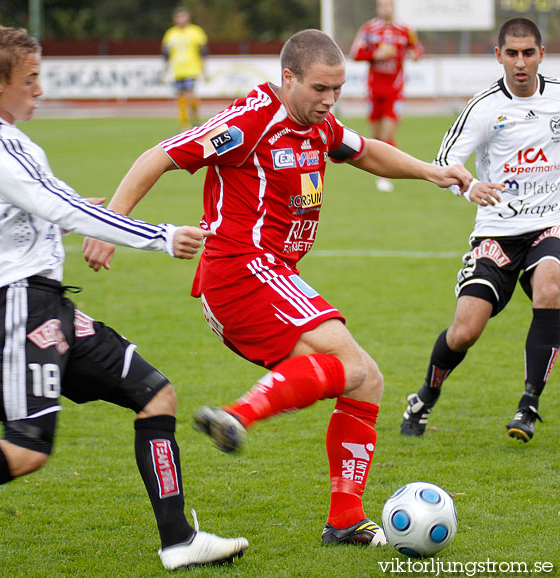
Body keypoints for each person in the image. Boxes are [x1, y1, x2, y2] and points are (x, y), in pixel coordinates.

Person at [0, 25, 249, 578]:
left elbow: (48, 207)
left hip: (48, 302)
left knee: (155, 394)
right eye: (31, 78)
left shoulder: (0, 138)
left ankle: (179, 540)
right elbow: (57, 209)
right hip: (19, 306)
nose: (40, 88)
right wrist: (158, 235)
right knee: (27, 447)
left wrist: (82, 212)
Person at [82, 29, 471, 547]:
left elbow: (365, 150)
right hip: (241, 270)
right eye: (319, 89)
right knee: (352, 365)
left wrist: (430, 171)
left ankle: (345, 520)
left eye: (337, 89)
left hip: (271, 275)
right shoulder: (250, 121)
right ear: (288, 78)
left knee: (365, 381)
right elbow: (161, 154)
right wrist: (112, 225)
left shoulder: (318, 124)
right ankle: (236, 417)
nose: (329, 101)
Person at [401, 18, 560, 443]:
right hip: (497, 232)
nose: (521, 62)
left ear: (542, 54)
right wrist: (469, 186)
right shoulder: (484, 106)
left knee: (551, 286)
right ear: (498, 56)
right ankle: (425, 397)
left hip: (549, 223)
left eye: (529, 53)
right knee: (465, 330)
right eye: (512, 53)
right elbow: (445, 161)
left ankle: (529, 404)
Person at [351, 0, 423, 192]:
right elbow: (355, 53)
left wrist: (414, 55)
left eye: (388, 5)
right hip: (374, 89)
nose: (385, 9)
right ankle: (377, 171)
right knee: (374, 136)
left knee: (388, 133)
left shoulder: (405, 30)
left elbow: (417, 50)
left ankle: (385, 176)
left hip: (394, 89)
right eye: (382, 5)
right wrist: (376, 55)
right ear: (377, 8)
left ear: (393, 7)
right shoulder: (369, 29)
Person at [161, 6, 208, 130]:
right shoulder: (170, 34)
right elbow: (166, 55)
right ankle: (184, 123)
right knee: (180, 97)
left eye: (183, 16)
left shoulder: (196, 32)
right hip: (177, 70)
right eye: (178, 17)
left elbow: (202, 52)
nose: (180, 19)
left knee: (189, 95)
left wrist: (204, 70)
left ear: (188, 17)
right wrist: (164, 71)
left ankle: (195, 118)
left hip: (191, 69)